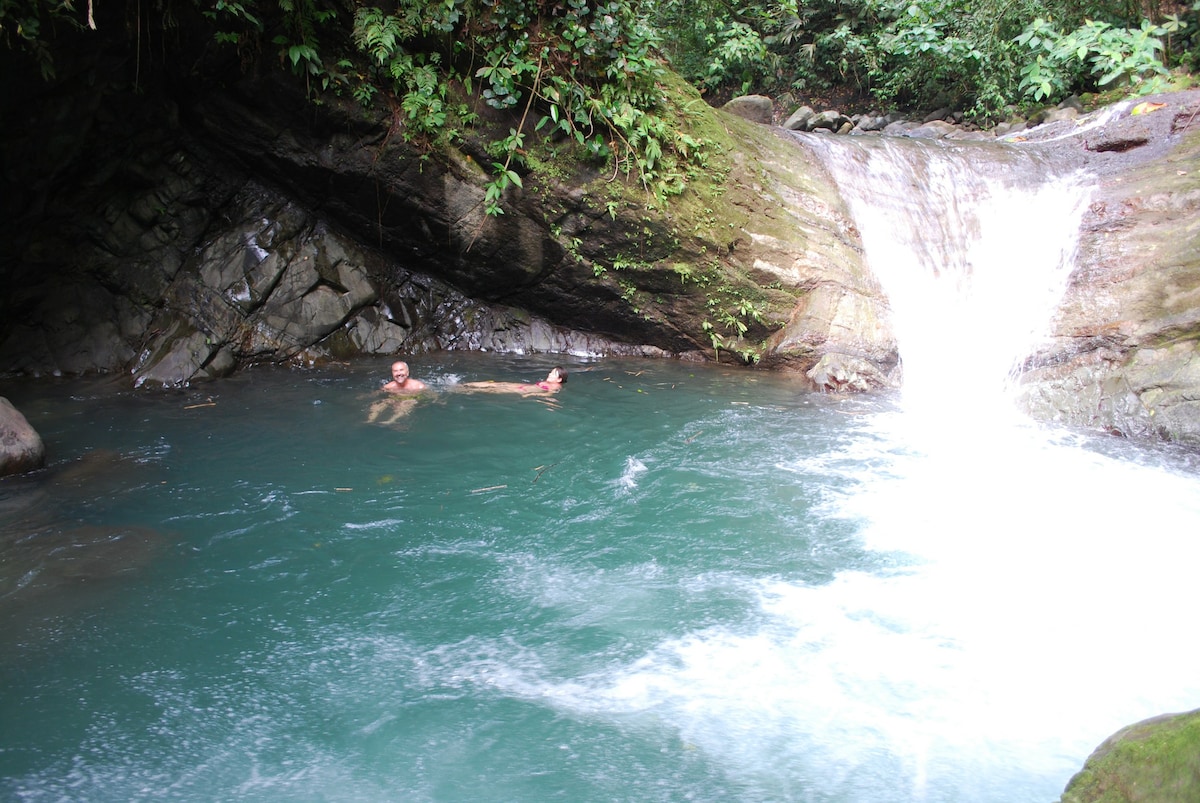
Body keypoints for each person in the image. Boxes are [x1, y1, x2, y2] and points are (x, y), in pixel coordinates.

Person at [368, 360, 429, 425]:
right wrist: (365, 396)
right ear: (392, 374)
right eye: (395, 371)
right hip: (395, 398)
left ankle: (391, 421)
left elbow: (430, 396)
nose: (398, 373)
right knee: (381, 403)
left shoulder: (418, 386)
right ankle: (370, 420)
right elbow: (377, 393)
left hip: (410, 399)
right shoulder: (389, 386)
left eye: (401, 370)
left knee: (407, 403)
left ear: (407, 373)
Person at [457, 366, 568, 396]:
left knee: (493, 390)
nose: (549, 374)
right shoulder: (549, 383)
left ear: (559, 379)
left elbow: (549, 396)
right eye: (551, 372)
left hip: (524, 390)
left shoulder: (556, 386)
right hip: (524, 386)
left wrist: (532, 394)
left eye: (553, 374)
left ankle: (462, 390)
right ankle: (464, 385)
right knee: (495, 384)